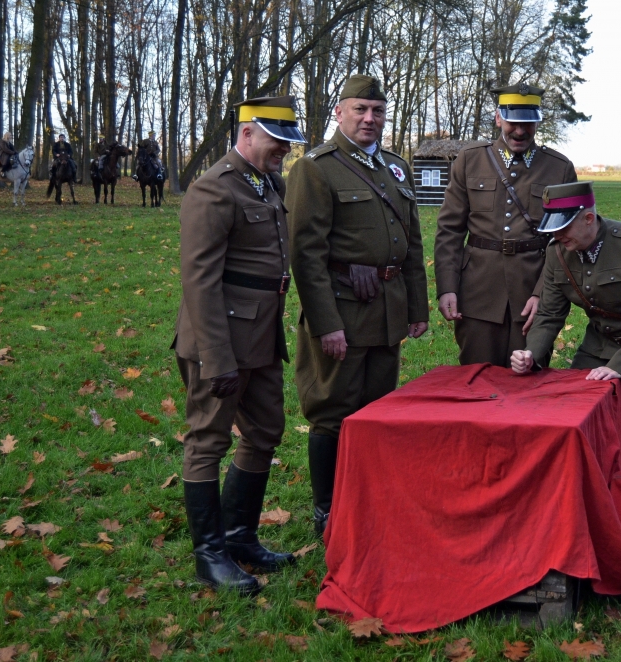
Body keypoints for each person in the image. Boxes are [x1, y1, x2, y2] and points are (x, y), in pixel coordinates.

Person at [172, 95, 307, 594]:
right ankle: (210, 556)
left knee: (265, 430)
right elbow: (200, 280)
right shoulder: (214, 188)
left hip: (261, 336)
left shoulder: (268, 183)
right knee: (208, 439)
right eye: (277, 141)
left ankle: (239, 537)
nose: (285, 150)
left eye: (289, 142)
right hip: (221, 339)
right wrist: (216, 357)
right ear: (246, 132)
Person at [285, 75, 429, 538]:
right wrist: (325, 323)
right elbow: (306, 255)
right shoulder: (316, 168)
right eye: (360, 110)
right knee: (332, 409)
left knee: (377, 407)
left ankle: (368, 499)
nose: (369, 119)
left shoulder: (395, 167)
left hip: (387, 309)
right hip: (343, 310)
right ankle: (327, 509)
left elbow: (411, 243)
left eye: (377, 111)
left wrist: (417, 307)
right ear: (339, 112)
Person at [510, 182, 621, 468]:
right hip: (601, 342)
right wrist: (531, 354)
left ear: (588, 218)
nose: (556, 235)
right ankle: (590, 481)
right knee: (575, 410)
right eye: (553, 228)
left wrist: (620, 365)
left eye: (563, 227)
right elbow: (550, 313)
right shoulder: (557, 252)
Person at [434, 83, 577, 367]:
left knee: (528, 379)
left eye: (528, 123)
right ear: (498, 118)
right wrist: (447, 287)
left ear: (537, 122)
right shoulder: (470, 160)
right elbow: (450, 230)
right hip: (478, 293)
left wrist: (542, 293)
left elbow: (567, 241)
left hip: (531, 293)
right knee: (477, 376)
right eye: (513, 122)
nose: (520, 131)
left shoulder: (559, 168)